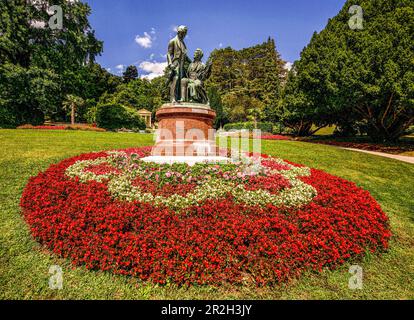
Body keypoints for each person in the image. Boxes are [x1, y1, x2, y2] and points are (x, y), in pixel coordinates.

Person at [166, 25, 191, 103]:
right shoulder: (173, 41)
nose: (183, 35)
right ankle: (172, 98)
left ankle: (181, 98)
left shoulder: (183, 44)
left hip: (182, 65)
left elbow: (185, 56)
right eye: (182, 33)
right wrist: (170, 64)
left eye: (184, 34)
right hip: (176, 63)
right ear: (179, 32)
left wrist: (192, 62)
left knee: (182, 81)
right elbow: (169, 54)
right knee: (175, 79)